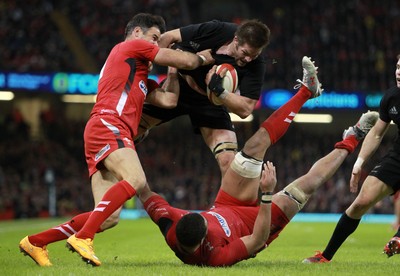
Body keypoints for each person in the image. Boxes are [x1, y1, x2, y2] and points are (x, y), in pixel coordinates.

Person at [138, 57, 378, 266]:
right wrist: (266, 194)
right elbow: (257, 241)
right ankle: (353, 138)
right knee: (306, 185)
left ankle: (307, 91)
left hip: (227, 203)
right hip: (256, 226)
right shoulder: (217, 257)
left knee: (254, 145)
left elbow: (146, 193)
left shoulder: (171, 228)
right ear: (202, 240)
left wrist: (125, 164)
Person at [18, 13, 215, 267]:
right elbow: (183, 58)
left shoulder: (139, 76)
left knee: (109, 217)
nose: (156, 44)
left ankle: (36, 241)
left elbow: (169, 101)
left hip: (101, 130)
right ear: (136, 33)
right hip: (110, 124)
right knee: (137, 179)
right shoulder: (130, 46)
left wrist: (173, 72)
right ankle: (84, 237)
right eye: (154, 38)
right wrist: (204, 57)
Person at [135, 19, 273, 177]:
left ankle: (227, 202)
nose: (248, 59)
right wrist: (149, 62)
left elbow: (246, 108)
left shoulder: (256, 64)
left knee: (230, 163)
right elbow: (167, 37)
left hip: (210, 102)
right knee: (129, 130)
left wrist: (220, 91)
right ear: (236, 40)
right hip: (178, 86)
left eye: (254, 55)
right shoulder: (217, 29)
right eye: (245, 53)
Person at [303, 54, 400, 263]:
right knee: (360, 203)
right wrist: (359, 163)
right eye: (398, 67)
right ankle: (325, 257)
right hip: (397, 158)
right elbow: (376, 133)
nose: (399, 72)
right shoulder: (391, 97)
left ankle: (398, 238)